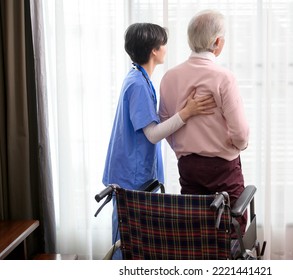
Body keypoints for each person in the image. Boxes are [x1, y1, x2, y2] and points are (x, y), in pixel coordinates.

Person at [102, 22, 216, 259]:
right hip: (130, 178)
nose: (166, 47)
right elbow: (152, 134)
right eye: (163, 43)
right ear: (154, 50)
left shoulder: (140, 79)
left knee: (136, 242)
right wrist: (188, 112)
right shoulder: (137, 85)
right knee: (129, 244)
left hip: (134, 174)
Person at [159, 10, 250, 236]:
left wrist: (183, 150)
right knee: (232, 226)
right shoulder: (223, 77)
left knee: (195, 229)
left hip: (188, 167)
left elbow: (165, 125)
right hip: (223, 168)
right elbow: (241, 133)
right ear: (217, 42)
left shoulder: (169, 77)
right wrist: (237, 146)